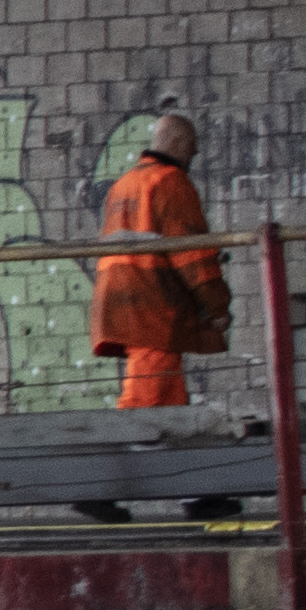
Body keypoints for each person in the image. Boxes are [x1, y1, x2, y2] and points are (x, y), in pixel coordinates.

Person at [91, 109, 227, 420]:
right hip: (154, 309)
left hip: (120, 304)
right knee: (145, 406)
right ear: (177, 143)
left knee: (168, 402)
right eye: (191, 148)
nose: (193, 157)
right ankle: (126, 448)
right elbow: (194, 257)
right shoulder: (171, 183)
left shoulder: (123, 185)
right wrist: (218, 307)